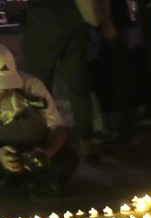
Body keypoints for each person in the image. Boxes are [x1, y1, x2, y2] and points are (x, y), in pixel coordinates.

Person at [21, 0, 105, 159]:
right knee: (78, 84)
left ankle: (43, 138)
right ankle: (86, 139)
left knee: (38, 86)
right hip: (75, 16)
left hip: (42, 17)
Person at [0, 43, 78, 196]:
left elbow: (58, 128)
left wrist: (46, 153)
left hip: (32, 152)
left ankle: (34, 182)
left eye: (7, 85)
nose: (4, 90)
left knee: (69, 157)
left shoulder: (31, 86)